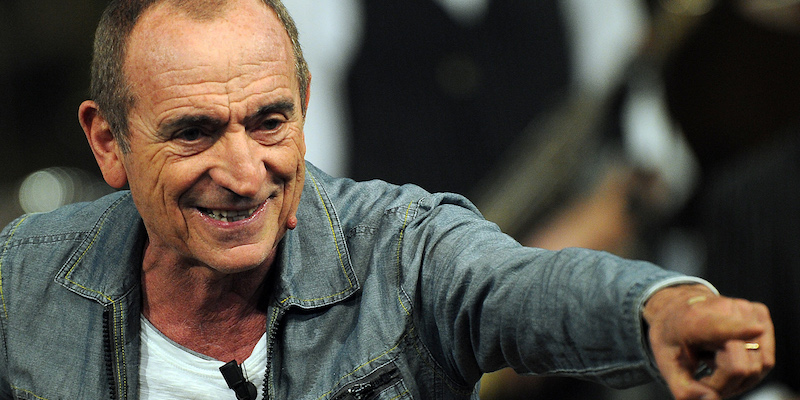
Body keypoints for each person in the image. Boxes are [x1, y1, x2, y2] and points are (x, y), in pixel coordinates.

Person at [0, 0, 773, 399]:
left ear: (302, 107)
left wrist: (657, 309)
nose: (243, 173)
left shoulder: (400, 248)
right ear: (108, 143)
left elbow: (515, 285)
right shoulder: (20, 283)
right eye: (194, 132)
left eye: (270, 122)